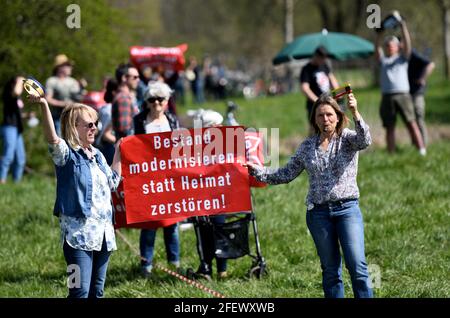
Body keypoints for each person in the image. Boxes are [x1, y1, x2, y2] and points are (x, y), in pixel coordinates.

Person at [248, 93, 373, 298]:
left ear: (338, 116)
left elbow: (365, 140)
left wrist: (355, 111)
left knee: (357, 265)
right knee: (331, 271)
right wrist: (257, 171)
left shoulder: (348, 139)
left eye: (330, 114)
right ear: (314, 119)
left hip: (347, 209)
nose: (325, 119)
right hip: (318, 214)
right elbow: (286, 173)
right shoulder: (307, 147)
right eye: (320, 115)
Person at [27, 93, 122, 298]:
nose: (94, 128)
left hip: (104, 236)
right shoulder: (66, 155)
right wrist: (44, 104)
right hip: (77, 238)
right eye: (88, 124)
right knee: (78, 292)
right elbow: (52, 138)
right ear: (73, 126)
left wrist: (119, 152)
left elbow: (113, 182)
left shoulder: (97, 155)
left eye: (95, 124)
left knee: (97, 292)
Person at [133, 81, 181, 277]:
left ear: (167, 100)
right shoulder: (140, 121)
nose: (156, 103)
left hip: (170, 179)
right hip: (148, 180)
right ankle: (146, 265)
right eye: (152, 100)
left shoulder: (172, 120)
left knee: (172, 223)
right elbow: (134, 147)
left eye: (160, 99)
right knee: (149, 224)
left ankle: (174, 263)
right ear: (147, 102)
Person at [375, 18, 426, 155]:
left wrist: (403, 26)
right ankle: (391, 153)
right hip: (387, 96)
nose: (389, 46)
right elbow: (377, 48)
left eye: (392, 44)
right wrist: (380, 33)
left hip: (403, 95)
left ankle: (421, 150)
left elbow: (408, 43)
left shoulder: (403, 58)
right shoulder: (383, 61)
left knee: (411, 123)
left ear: (398, 47)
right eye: (387, 45)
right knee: (389, 127)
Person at [300, 46, 339, 134]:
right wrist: (317, 101)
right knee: (315, 130)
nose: (323, 60)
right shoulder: (306, 69)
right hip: (314, 106)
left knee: (330, 129)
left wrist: (337, 94)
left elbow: (333, 81)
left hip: (328, 103)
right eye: (322, 58)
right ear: (316, 56)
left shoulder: (324, 66)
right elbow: (305, 88)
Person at [45, 54, 83, 136]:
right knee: (59, 142)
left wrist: (81, 90)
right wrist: (63, 104)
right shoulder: (52, 81)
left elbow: (79, 98)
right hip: (58, 118)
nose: (71, 68)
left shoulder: (73, 81)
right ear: (59, 67)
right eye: (68, 65)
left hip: (72, 118)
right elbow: (48, 99)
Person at [1, 76, 26, 183]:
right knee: (8, 155)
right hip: (9, 127)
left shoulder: (18, 99)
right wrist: (20, 80)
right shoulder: (9, 94)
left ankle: (17, 183)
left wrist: (27, 115)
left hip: (17, 129)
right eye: (21, 82)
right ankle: (2, 179)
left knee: (20, 158)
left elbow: (17, 114)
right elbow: (16, 91)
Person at [408, 49, 435, 146]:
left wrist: (422, 78)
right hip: (408, 93)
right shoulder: (402, 57)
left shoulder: (413, 54)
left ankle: (424, 145)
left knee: (419, 119)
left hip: (417, 93)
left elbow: (431, 64)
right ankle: (416, 145)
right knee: (412, 121)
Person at [111, 63, 140, 139]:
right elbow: (124, 129)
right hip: (127, 146)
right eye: (135, 77)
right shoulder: (123, 98)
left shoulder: (125, 96)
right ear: (124, 78)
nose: (138, 80)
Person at [95, 78, 118, 165]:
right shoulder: (109, 109)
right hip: (109, 148)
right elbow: (105, 135)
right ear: (114, 92)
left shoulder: (105, 108)